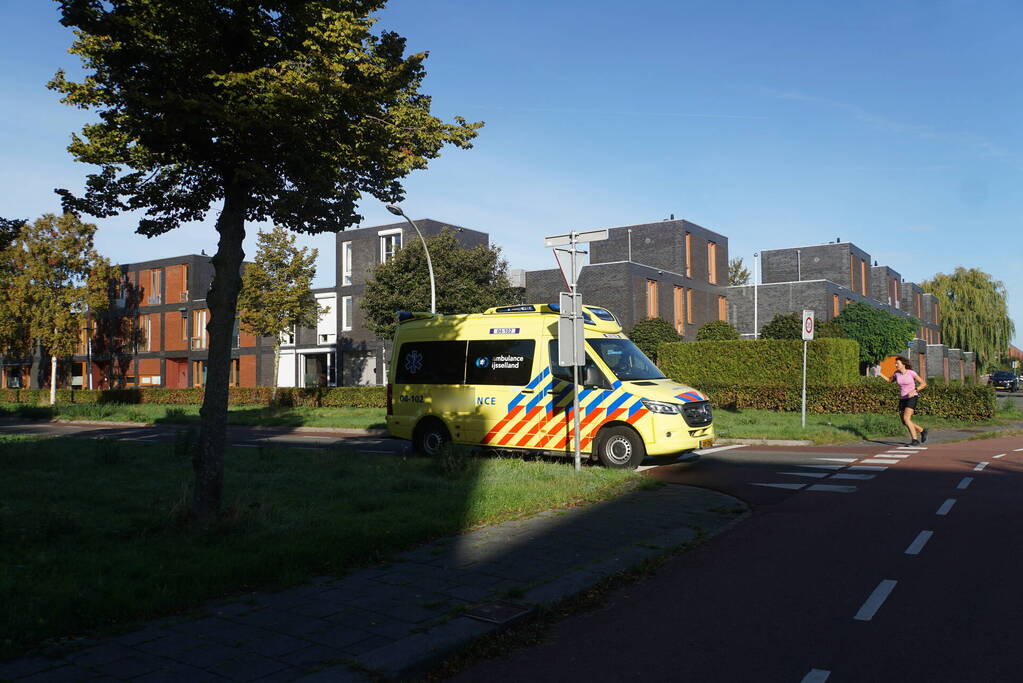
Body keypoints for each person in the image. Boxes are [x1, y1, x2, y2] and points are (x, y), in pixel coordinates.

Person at [882, 356, 928, 445]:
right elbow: (889, 380)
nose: (895, 365)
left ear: (903, 364)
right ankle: (922, 430)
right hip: (902, 398)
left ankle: (915, 440)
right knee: (904, 421)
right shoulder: (896, 373)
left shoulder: (911, 373)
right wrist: (879, 373)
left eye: (897, 363)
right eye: (895, 363)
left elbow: (923, 384)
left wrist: (915, 390)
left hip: (912, 397)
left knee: (906, 418)